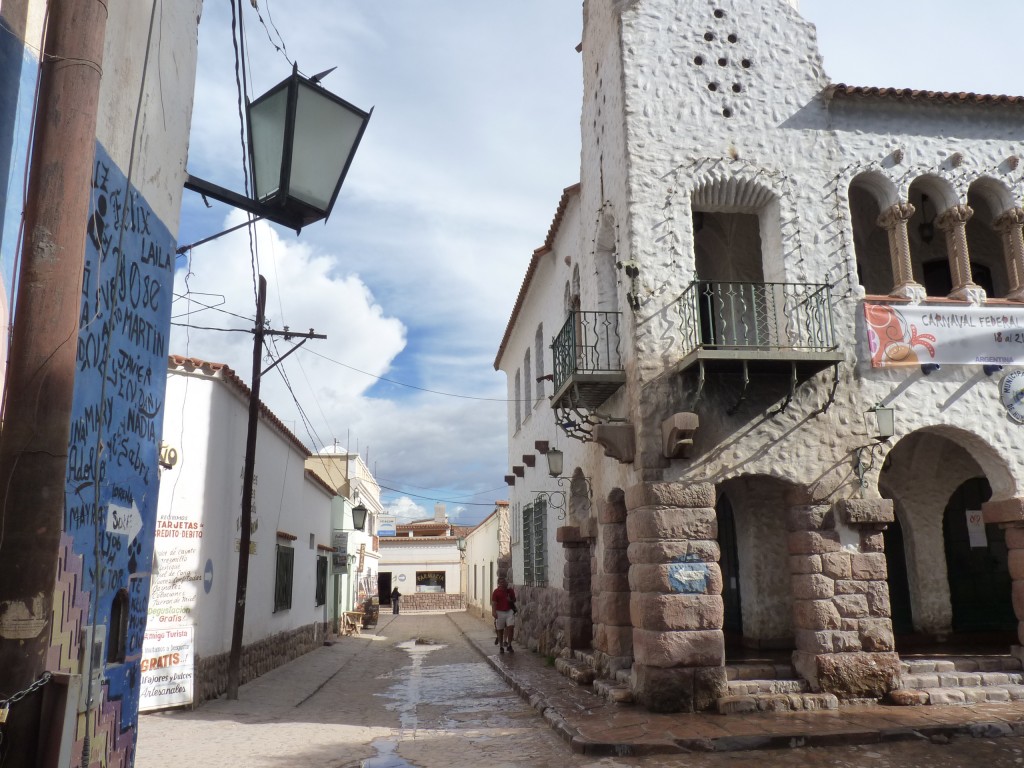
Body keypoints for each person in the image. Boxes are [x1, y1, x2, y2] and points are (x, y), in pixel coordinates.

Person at [490, 576, 517, 654]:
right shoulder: (496, 592)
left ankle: (509, 645)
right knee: (500, 629)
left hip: (509, 611)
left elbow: (514, 600)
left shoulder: (510, 591)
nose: (503, 584)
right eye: (501, 582)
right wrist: (494, 612)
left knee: (510, 627)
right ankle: (501, 646)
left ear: (506, 583)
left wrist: (510, 600)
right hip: (500, 612)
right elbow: (494, 603)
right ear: (499, 583)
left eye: (504, 582)